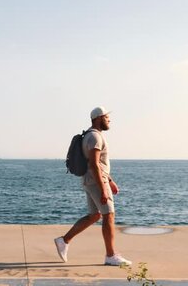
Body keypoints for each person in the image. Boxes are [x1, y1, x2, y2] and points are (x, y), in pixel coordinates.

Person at [54, 106, 132, 266]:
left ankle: (64, 240)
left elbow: (96, 164)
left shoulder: (90, 136)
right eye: (106, 116)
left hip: (91, 180)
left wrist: (109, 180)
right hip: (96, 181)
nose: (109, 119)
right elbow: (95, 165)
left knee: (94, 215)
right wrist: (104, 188)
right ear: (98, 118)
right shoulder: (95, 137)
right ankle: (110, 255)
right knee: (108, 215)